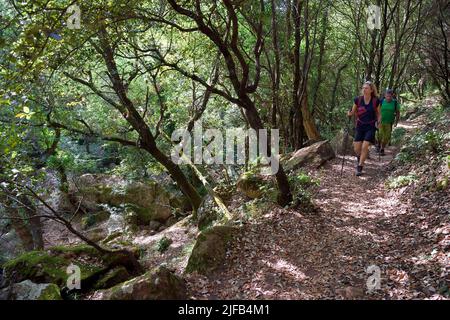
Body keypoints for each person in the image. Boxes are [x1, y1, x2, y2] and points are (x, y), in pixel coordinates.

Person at [347, 81, 381, 176]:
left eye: (366, 88)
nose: (364, 90)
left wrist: (379, 121)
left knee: (365, 146)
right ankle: (360, 157)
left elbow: (379, 114)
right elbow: (353, 112)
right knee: (357, 148)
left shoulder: (375, 101)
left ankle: (360, 166)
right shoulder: (357, 100)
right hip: (360, 125)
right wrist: (349, 113)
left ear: (371, 90)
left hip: (370, 126)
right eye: (363, 88)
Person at [376, 89, 400, 155]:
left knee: (387, 137)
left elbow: (398, 113)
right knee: (380, 134)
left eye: (390, 96)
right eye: (387, 96)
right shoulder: (381, 102)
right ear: (385, 96)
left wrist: (396, 122)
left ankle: (382, 148)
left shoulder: (395, 103)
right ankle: (378, 145)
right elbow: (377, 111)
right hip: (381, 121)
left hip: (389, 123)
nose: (388, 98)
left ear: (392, 96)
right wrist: (377, 119)